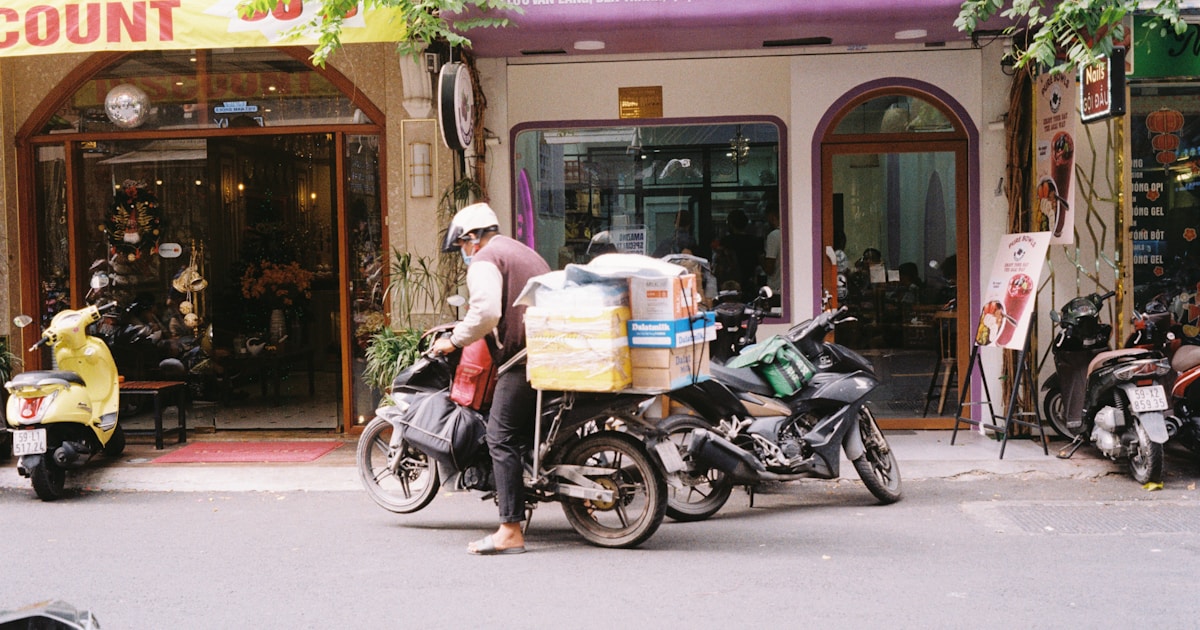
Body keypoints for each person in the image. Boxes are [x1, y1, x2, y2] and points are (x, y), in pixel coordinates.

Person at [431, 202, 551, 556]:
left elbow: (486, 312)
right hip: (546, 353)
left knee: (500, 438)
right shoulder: (519, 250)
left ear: (472, 238)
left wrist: (453, 340)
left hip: (523, 358)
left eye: (463, 247)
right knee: (525, 434)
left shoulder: (486, 258)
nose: (464, 254)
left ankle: (510, 528)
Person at [760, 201, 782, 304]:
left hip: (775, 291)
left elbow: (769, 268)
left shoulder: (774, 236)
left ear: (772, 217)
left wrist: (760, 258)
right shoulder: (791, 234)